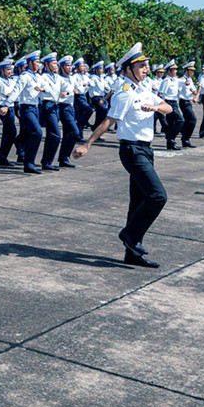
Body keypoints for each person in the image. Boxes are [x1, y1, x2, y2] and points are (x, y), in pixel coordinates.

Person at [73, 42, 172, 268]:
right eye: (141, 66)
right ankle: (129, 235)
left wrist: (155, 107)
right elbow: (109, 121)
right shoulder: (125, 94)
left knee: (138, 201)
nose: (146, 69)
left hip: (146, 149)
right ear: (128, 69)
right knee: (158, 196)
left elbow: (168, 108)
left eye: (146, 65)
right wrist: (87, 144)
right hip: (132, 150)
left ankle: (132, 252)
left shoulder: (144, 90)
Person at [15, 50, 45, 174]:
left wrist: (43, 90)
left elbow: (46, 88)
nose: (38, 64)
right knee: (37, 133)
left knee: (29, 134)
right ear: (30, 63)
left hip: (36, 107)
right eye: (36, 62)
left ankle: (27, 159)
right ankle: (29, 163)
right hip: (26, 108)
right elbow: (16, 91)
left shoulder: (37, 77)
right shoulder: (25, 77)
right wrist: (6, 105)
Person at [0, 57, 19, 167]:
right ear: (2, 70)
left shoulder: (12, 80)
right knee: (11, 131)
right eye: (8, 69)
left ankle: (3, 155)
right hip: (3, 106)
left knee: (9, 132)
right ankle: (2, 155)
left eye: (11, 69)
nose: (10, 71)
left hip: (11, 106)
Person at [156, 61, 183, 151]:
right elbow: (160, 94)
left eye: (176, 69)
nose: (176, 71)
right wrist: (162, 106)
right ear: (169, 71)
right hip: (169, 103)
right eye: (174, 70)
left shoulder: (176, 80)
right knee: (180, 120)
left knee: (172, 124)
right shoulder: (166, 81)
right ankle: (170, 138)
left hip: (175, 103)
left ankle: (170, 143)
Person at [176, 61, 199, 148]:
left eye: (193, 71)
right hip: (183, 102)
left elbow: (194, 90)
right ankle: (185, 138)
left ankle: (185, 139)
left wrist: (194, 92)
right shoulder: (181, 80)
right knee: (193, 120)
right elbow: (178, 88)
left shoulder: (190, 80)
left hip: (189, 102)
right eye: (191, 71)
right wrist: (184, 84)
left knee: (187, 121)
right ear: (187, 71)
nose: (192, 73)